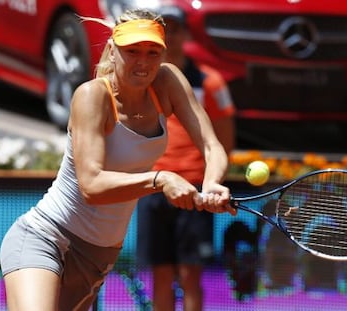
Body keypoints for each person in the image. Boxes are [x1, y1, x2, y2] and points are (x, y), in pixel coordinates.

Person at [0, 8, 236, 311]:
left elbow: (211, 145)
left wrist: (212, 182)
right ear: (112, 50)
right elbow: (91, 184)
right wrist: (160, 179)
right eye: (132, 51)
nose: (143, 61)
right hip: (45, 237)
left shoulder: (168, 81)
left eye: (153, 52)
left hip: (97, 257)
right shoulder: (92, 96)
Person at [137, 5, 236, 311]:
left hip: (195, 189)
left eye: (175, 29)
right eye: (163, 29)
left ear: (186, 34)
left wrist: (210, 183)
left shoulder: (211, 82)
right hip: (154, 188)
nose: (170, 36)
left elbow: (222, 141)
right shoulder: (140, 81)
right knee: (160, 275)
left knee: (190, 275)